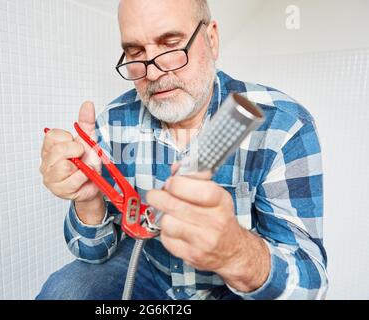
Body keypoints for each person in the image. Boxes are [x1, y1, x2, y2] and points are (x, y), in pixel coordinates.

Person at [36, 0, 328, 300]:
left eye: (170, 44)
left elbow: (310, 286)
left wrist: (237, 254)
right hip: (150, 268)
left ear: (211, 40)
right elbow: (93, 254)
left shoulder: (283, 124)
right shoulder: (112, 122)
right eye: (136, 52)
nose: (153, 72)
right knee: (65, 291)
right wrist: (89, 200)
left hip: (233, 289)